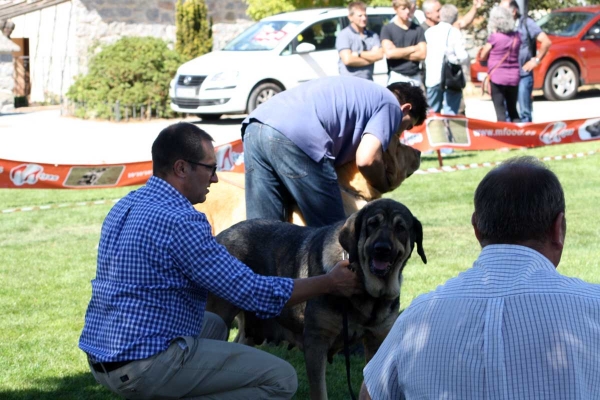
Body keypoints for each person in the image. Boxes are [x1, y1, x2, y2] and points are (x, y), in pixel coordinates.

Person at [79, 122, 363, 400]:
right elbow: (252, 293)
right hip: (143, 365)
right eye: (210, 169)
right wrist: (328, 282)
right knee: (281, 379)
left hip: (103, 355)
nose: (215, 179)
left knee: (214, 324)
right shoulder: (181, 221)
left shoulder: (126, 205)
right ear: (181, 168)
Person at [360, 156, 600, 399]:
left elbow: (370, 394)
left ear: (476, 228)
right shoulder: (595, 308)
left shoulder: (415, 319)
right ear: (558, 229)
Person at [242, 76, 428, 227]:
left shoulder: (363, 93)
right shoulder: (391, 106)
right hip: (297, 135)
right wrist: (383, 184)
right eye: (407, 126)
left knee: (263, 232)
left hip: (255, 124)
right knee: (333, 238)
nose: (400, 134)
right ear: (405, 109)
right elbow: (367, 159)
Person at [500, 0, 552, 122]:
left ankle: (527, 139)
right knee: (507, 113)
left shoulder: (526, 23)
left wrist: (536, 60)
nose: (500, 13)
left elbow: (546, 41)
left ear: (513, 11)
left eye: (503, 10)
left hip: (523, 75)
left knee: (524, 112)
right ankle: (509, 139)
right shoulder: (501, 25)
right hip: (507, 76)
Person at [424, 4, 469, 115]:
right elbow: (462, 56)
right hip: (450, 78)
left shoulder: (429, 32)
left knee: (433, 113)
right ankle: (449, 132)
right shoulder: (454, 32)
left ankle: (435, 132)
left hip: (432, 77)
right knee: (451, 112)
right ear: (455, 17)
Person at [480, 6, 521, 122]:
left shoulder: (494, 37)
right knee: (513, 110)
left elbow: (483, 54)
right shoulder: (517, 36)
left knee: (500, 112)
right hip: (514, 77)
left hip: (497, 77)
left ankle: (503, 137)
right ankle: (517, 135)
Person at [380, 0, 426, 87]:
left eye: (408, 8)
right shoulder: (388, 29)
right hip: (396, 75)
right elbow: (389, 54)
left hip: (415, 76)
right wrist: (413, 48)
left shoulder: (418, 29)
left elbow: (422, 54)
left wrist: (398, 52)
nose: (407, 11)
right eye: (403, 9)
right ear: (395, 9)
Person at [336, 1, 383, 81]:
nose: (364, 18)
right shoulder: (344, 35)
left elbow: (379, 56)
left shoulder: (372, 35)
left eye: (365, 15)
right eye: (360, 16)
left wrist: (358, 54)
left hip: (368, 80)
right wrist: (371, 58)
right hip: (349, 81)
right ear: (350, 17)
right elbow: (348, 60)